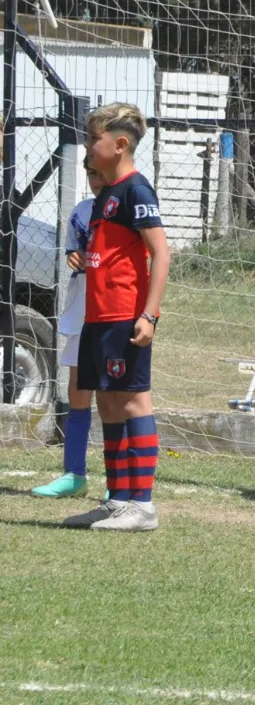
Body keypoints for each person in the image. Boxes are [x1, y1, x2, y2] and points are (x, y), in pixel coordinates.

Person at [62, 103, 171, 533]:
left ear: (119, 144)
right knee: (107, 402)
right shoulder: (105, 193)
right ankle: (118, 499)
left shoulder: (136, 190)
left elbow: (161, 254)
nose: (89, 147)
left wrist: (149, 315)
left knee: (133, 400)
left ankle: (143, 505)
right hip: (98, 317)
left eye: (94, 139)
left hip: (127, 316)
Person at [32, 164, 106, 498]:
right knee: (78, 391)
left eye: (102, 174)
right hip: (81, 312)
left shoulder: (128, 208)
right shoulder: (81, 211)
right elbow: (72, 253)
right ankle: (74, 474)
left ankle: (121, 483)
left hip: (114, 312)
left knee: (112, 398)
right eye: (91, 174)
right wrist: (74, 256)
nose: (96, 181)